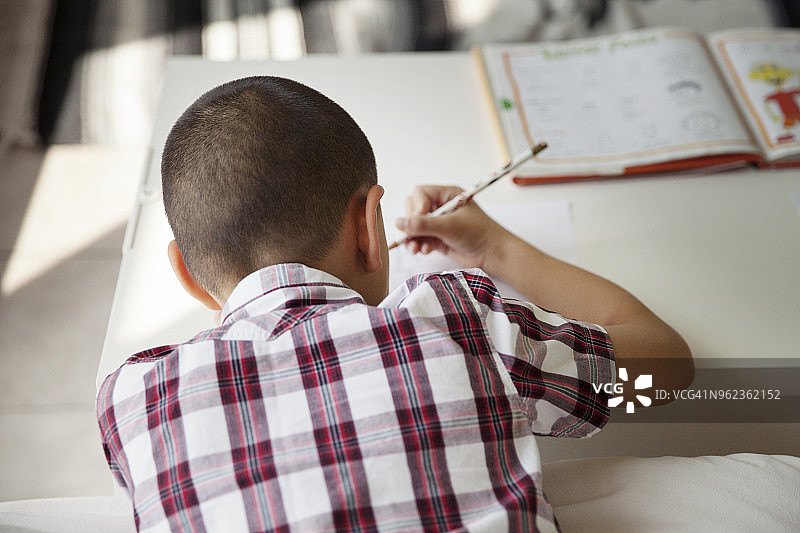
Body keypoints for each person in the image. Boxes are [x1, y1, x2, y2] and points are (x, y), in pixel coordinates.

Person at [97, 75, 693, 532]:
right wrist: (494, 246)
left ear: (186, 274)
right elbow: (666, 364)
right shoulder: (460, 324)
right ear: (371, 225)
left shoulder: (132, 398)